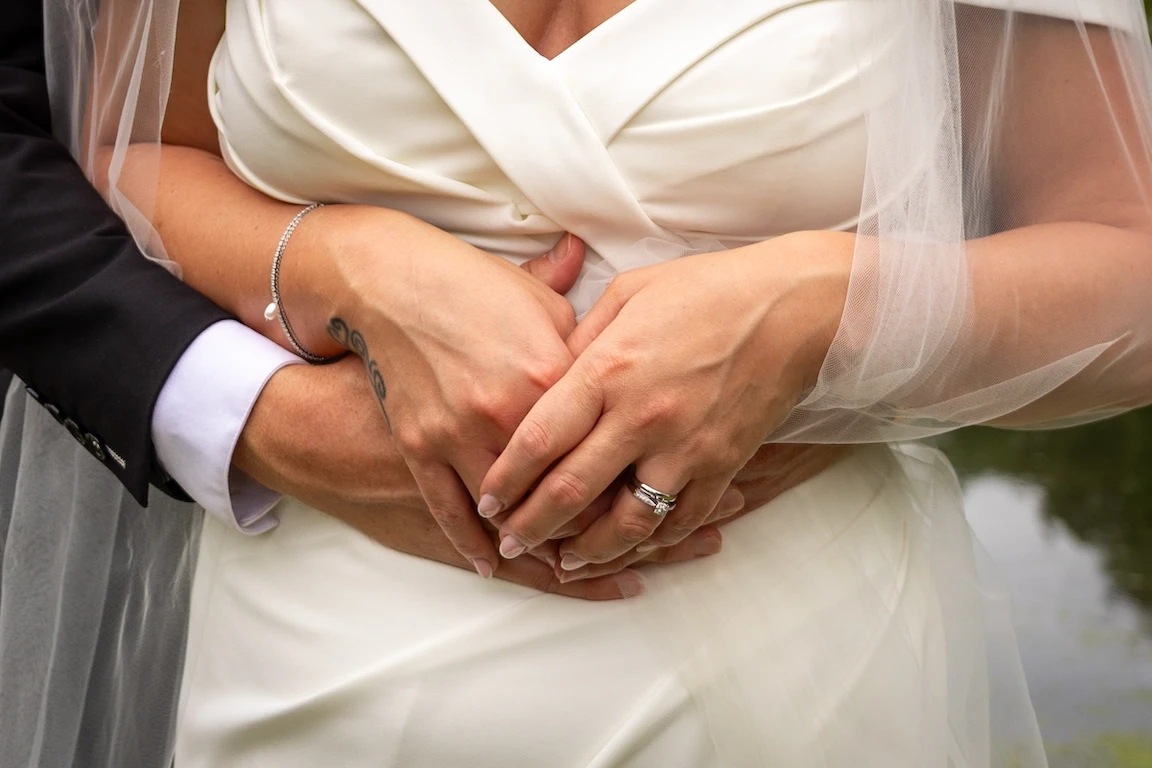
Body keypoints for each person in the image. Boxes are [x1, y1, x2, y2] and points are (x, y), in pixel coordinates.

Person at [15, 0, 1152, 765]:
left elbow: (1128, 262)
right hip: (304, 653)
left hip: (806, 669)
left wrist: (820, 305)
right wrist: (335, 260)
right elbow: (128, 147)